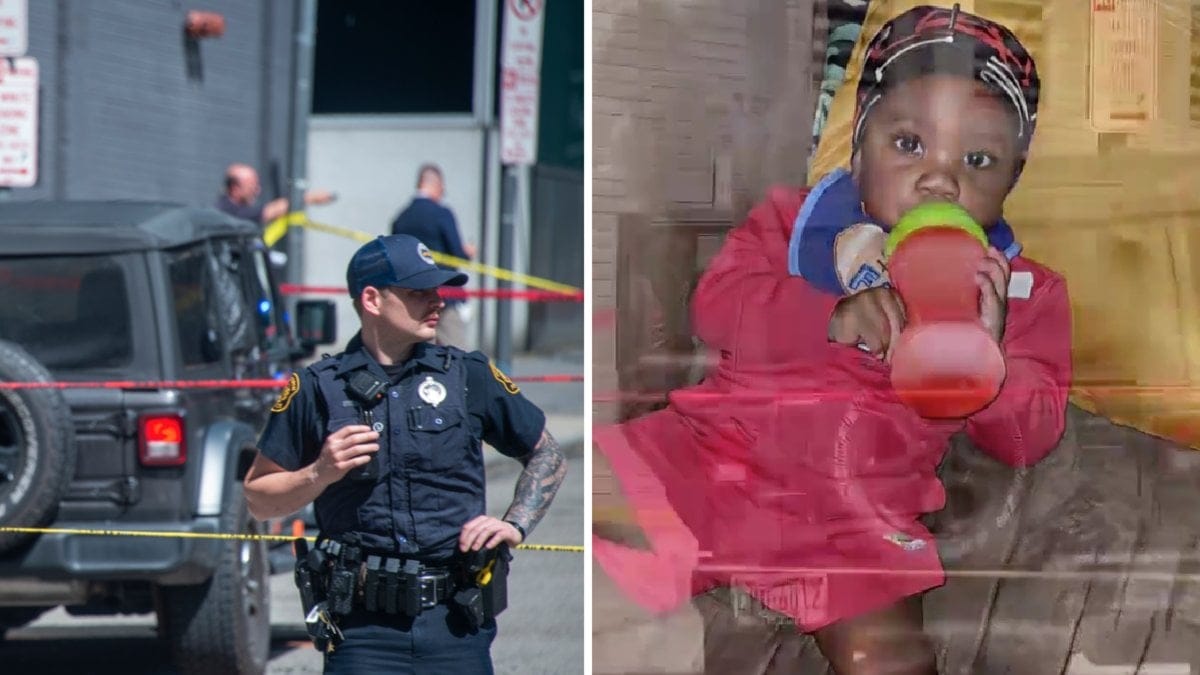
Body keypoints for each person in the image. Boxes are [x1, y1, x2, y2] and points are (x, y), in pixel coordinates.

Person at [592, 5, 1071, 674]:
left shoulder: (1021, 289)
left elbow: (1031, 432)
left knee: (890, 657)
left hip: (849, 511)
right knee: (594, 531)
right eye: (908, 144)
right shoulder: (795, 224)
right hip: (709, 455)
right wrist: (824, 312)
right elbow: (715, 306)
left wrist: (986, 368)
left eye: (979, 158)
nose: (940, 178)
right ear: (856, 149)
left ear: (1011, 181)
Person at [243, 233, 567, 673]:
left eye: (438, 290)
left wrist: (515, 524)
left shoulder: (468, 374)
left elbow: (547, 455)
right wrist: (319, 472)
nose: (438, 301)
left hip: (455, 623)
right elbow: (259, 499)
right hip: (361, 632)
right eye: (419, 292)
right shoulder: (318, 388)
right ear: (372, 299)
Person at [391, 163, 477, 348]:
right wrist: (468, 252)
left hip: (412, 295)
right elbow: (458, 254)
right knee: (455, 352)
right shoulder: (441, 214)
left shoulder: (402, 218)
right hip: (444, 293)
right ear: (438, 185)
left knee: (420, 351)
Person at [216, 162, 336, 228]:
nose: (258, 191)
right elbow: (268, 212)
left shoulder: (233, 208)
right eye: (252, 188)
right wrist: (310, 198)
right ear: (235, 188)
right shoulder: (227, 211)